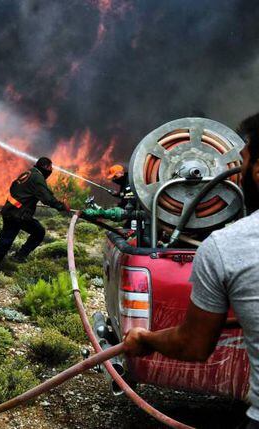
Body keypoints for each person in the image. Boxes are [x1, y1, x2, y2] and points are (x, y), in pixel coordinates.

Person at [124, 113, 259, 428]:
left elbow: (193, 344)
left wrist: (146, 338)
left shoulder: (227, 247)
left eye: (242, 161)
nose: (235, 173)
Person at [0, 157, 70, 272]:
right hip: (19, 215)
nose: (51, 170)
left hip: (10, 211)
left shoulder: (28, 173)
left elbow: (13, 187)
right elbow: (47, 198)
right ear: (45, 167)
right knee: (38, 232)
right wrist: (62, 206)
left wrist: (24, 198)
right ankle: (17, 257)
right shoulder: (37, 178)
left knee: (5, 242)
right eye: (50, 167)